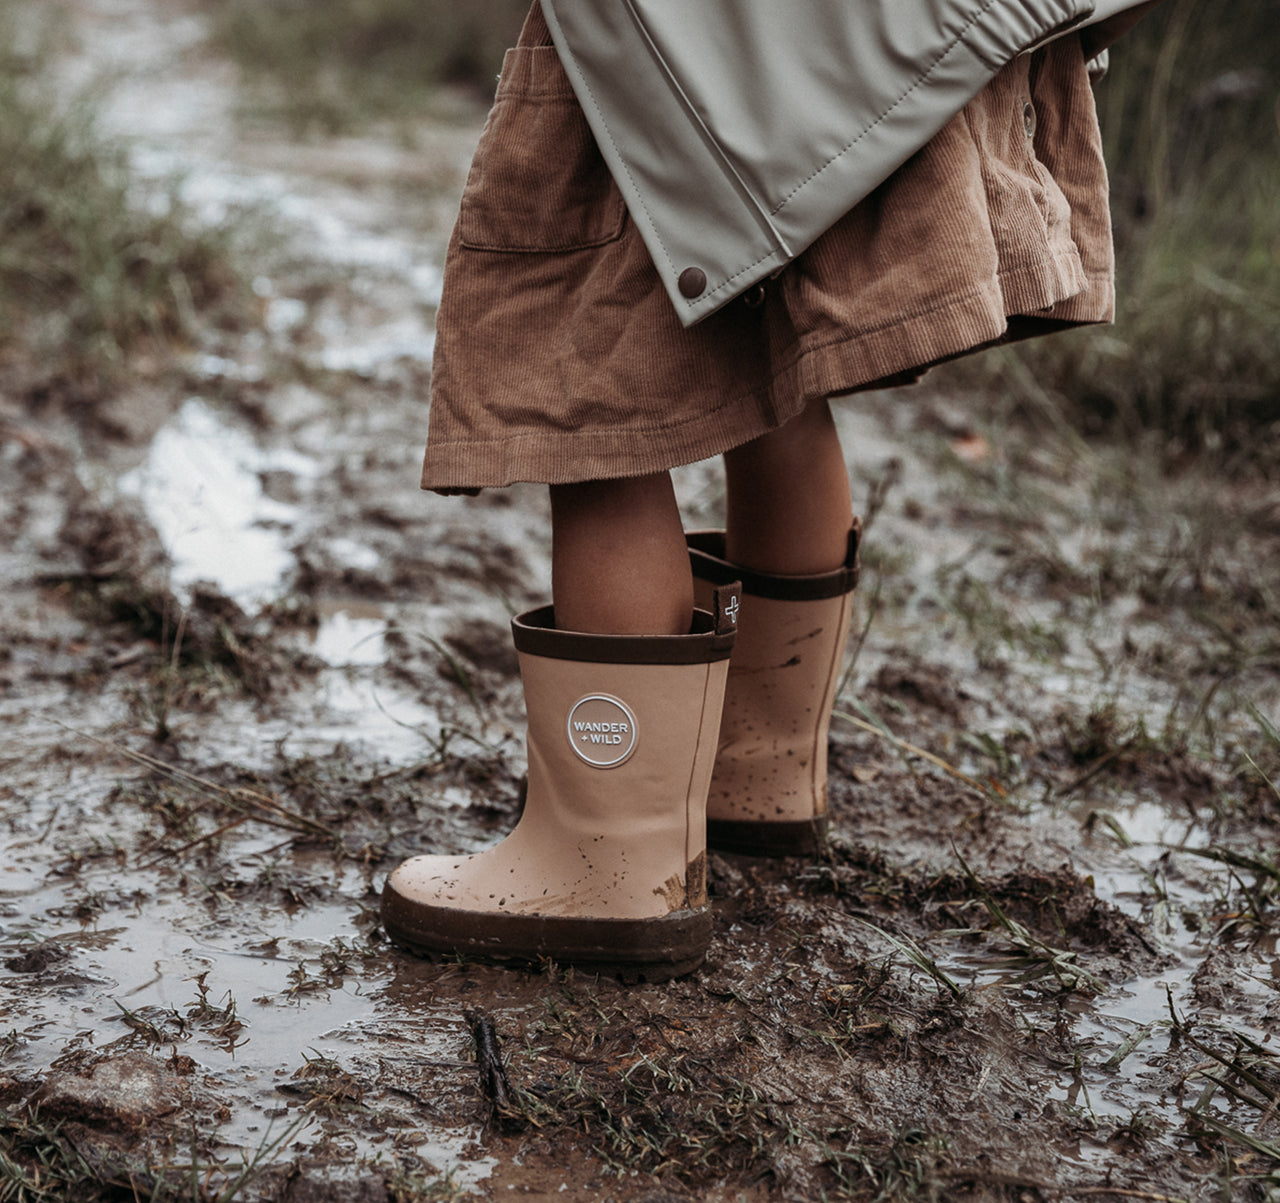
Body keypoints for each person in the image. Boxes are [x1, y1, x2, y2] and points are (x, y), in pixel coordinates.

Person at [380, 0, 1163, 979]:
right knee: (772, 331)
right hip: (861, 40)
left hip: (700, 36)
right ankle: (755, 768)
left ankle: (606, 860)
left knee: (586, 379)